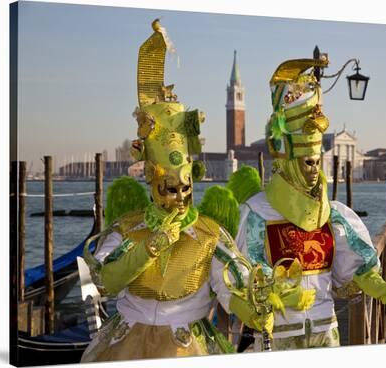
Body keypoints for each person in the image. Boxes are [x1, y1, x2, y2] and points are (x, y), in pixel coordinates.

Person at [80, 20, 272, 362]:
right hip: (126, 345)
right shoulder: (130, 229)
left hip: (188, 346)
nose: (180, 198)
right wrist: (149, 248)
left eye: (186, 188)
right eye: (169, 189)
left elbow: (232, 288)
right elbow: (106, 282)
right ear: (152, 183)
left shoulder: (209, 235)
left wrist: (257, 311)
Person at [234, 58, 386, 350]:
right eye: (306, 161)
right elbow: (242, 278)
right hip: (278, 337)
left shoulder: (334, 215)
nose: (313, 169)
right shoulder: (255, 214)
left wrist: (380, 287)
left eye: (317, 161)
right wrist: (274, 295)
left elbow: (351, 269)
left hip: (326, 334)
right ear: (286, 159)